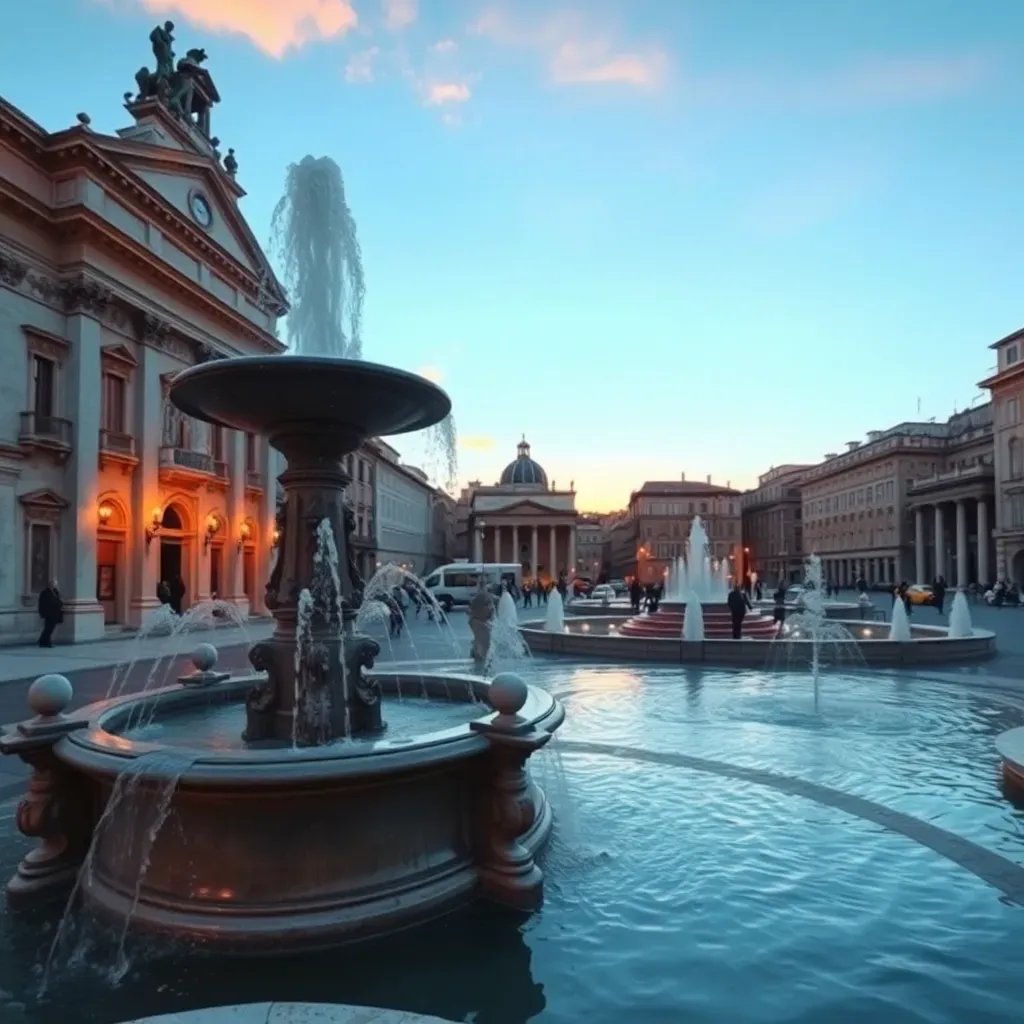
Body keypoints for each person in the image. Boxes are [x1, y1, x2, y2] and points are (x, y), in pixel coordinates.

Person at [37, 579, 63, 648]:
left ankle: (43, 641)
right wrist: (42, 613)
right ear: (51, 584)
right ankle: (45, 642)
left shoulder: (55, 592)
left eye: (56, 584)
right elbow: (42, 604)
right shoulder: (45, 593)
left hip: (55, 613)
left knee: (50, 628)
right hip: (49, 614)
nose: (56, 585)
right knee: (48, 628)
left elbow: (58, 600)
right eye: (55, 583)